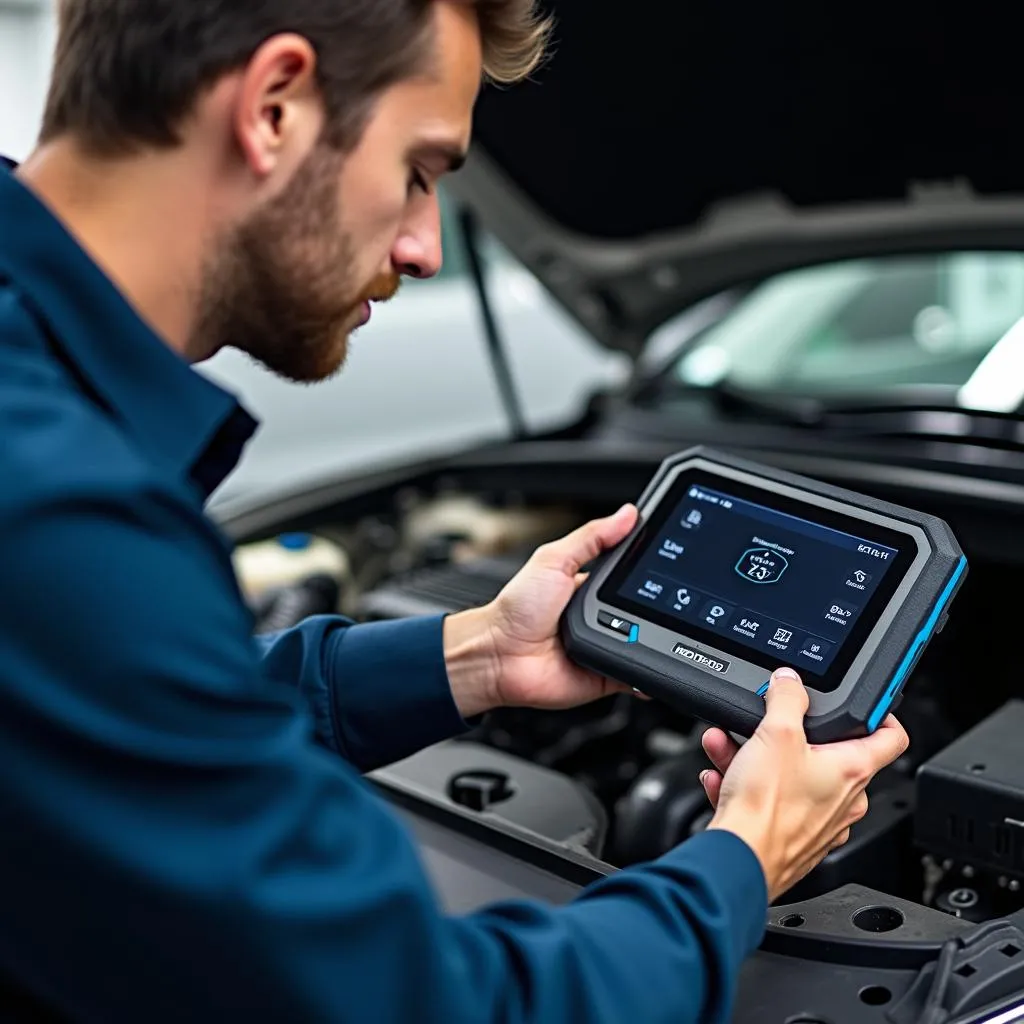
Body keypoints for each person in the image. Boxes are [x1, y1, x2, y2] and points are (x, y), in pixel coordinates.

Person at [0, 0, 909, 1020]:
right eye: (420, 172)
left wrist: (475, 657)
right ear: (272, 107)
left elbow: (135, 717)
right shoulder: (59, 504)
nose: (426, 246)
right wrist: (744, 855)